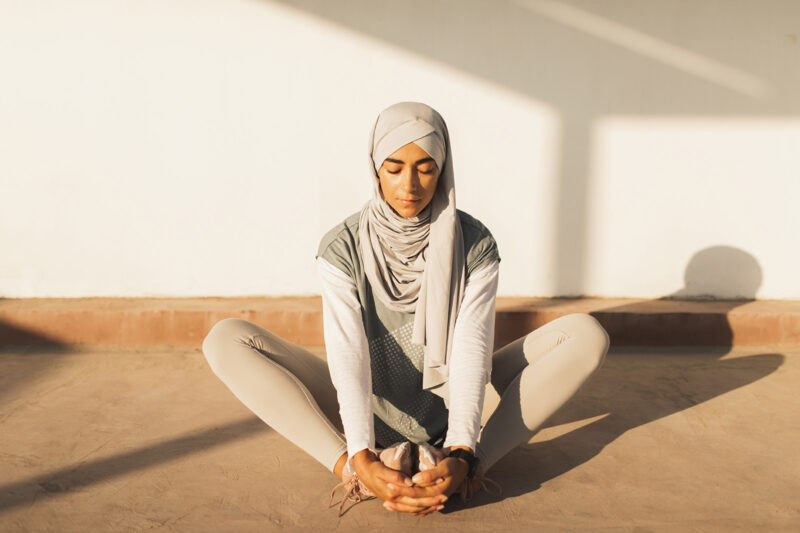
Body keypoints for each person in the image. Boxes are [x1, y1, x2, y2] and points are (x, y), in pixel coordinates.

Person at [202, 101, 610, 518]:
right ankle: (352, 471)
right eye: (394, 168)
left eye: (426, 168)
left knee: (586, 334)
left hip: (453, 408)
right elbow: (348, 356)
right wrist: (361, 453)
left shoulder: (475, 245)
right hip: (363, 408)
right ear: (375, 168)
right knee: (226, 339)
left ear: (444, 168)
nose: (409, 185)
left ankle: (470, 467)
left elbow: (471, 349)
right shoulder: (341, 247)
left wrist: (464, 450)